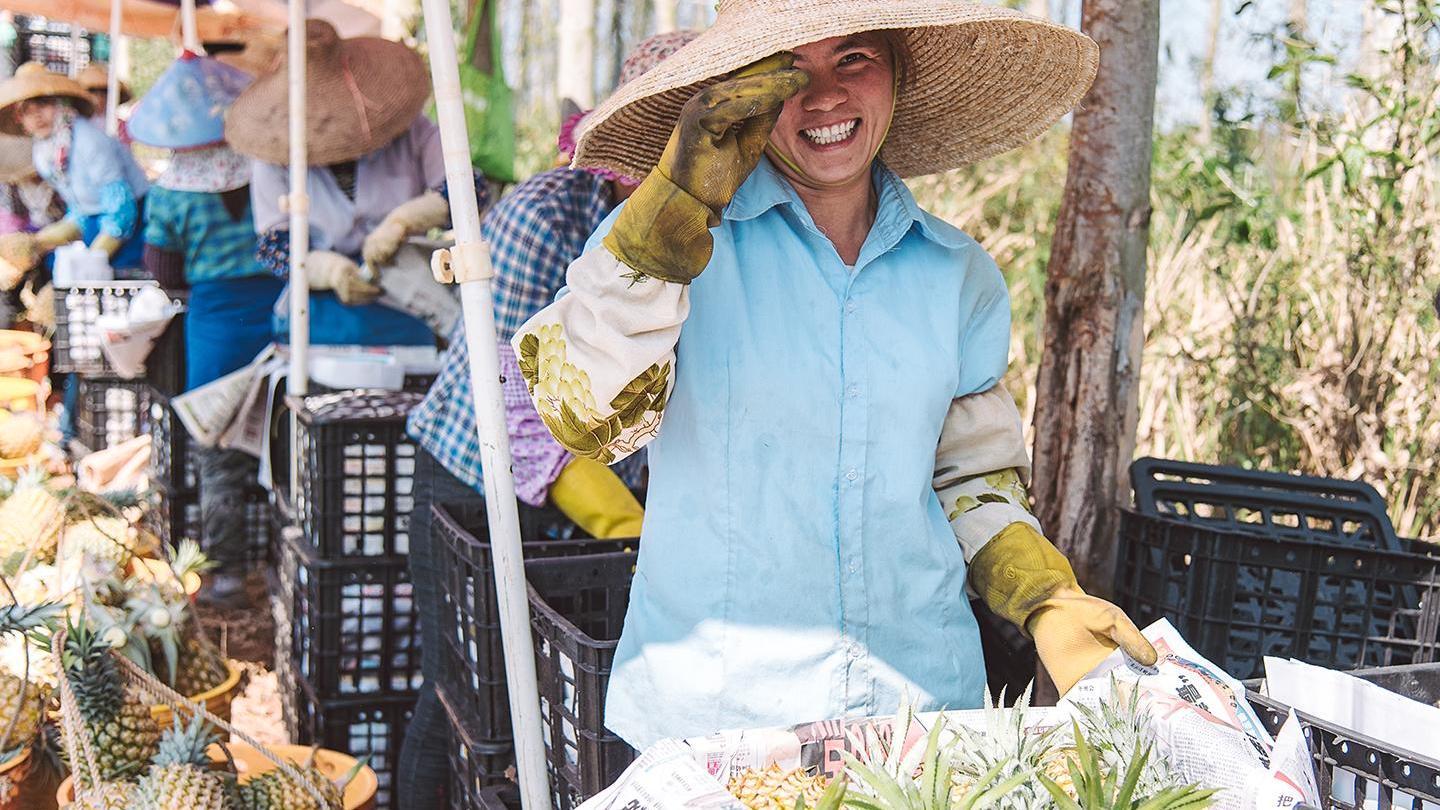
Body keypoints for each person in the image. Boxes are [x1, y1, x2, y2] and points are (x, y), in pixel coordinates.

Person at [515, 0, 1158, 748]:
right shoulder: (666, 253)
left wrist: (1043, 594)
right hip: (718, 724)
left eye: (854, 58)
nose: (824, 97)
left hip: (923, 716)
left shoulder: (959, 276)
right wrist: (674, 206)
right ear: (745, 93)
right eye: (789, 70)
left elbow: (970, 479)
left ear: (898, 74)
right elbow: (581, 413)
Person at [397, 30, 696, 807]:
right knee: (468, 694)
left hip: (586, 490)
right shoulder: (545, 216)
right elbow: (519, 403)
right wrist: (626, 523)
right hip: (474, 479)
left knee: (564, 707)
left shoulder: (708, 233)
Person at [126, 51, 279, 606]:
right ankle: (283, 564)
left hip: (215, 327)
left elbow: (165, 271)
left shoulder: (170, 193)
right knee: (282, 442)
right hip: (280, 320)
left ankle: (229, 573)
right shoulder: (268, 166)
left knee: (216, 451)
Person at [225, 19, 458, 349]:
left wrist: (403, 221)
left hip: (412, 296)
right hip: (322, 310)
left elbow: (466, 191)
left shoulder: (412, 129)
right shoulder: (272, 150)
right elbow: (274, 245)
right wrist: (328, 270)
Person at [0, 63, 149, 282]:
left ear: (60, 103)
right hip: (95, 222)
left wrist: (90, 262)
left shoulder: (90, 140)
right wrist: (36, 243)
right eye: (27, 111)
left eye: (42, 105)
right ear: (20, 120)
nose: (37, 116)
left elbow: (121, 210)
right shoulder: (44, 151)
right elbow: (79, 210)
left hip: (130, 223)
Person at [0, 132, 63, 325]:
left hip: (55, 250)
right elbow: (14, 223)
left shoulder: (57, 183)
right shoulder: (14, 188)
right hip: (30, 251)